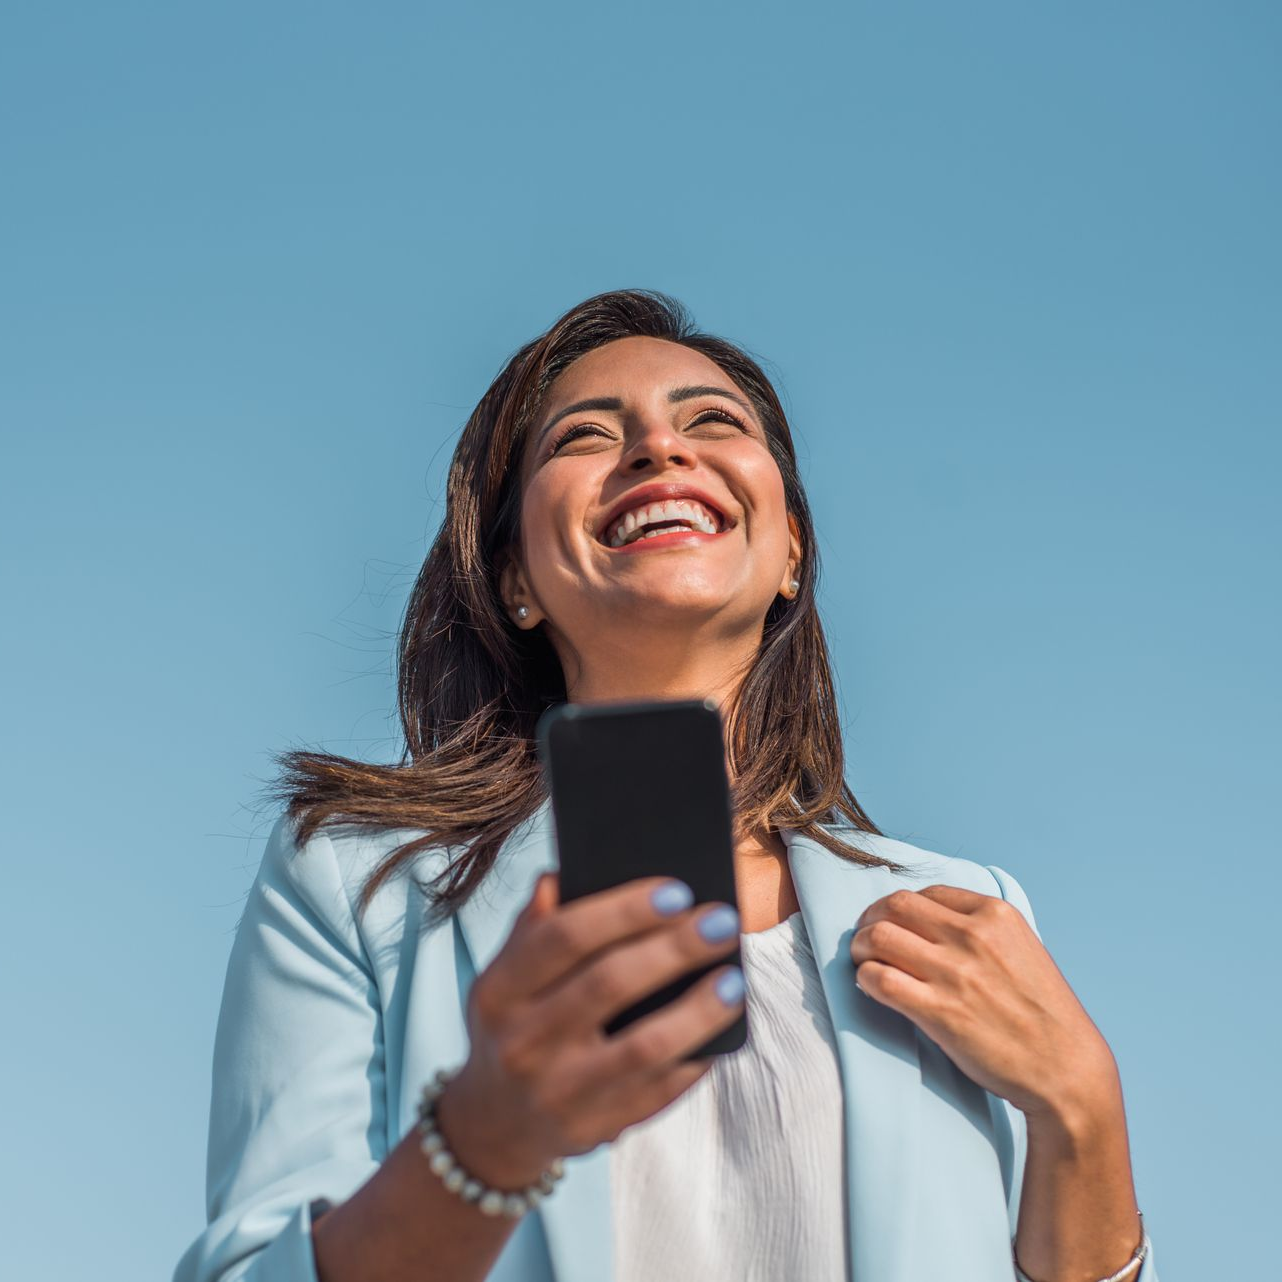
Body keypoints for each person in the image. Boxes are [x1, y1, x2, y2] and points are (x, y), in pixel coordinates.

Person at [173, 289, 1159, 1282]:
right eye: (585, 437)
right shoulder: (354, 883)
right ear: (513, 575)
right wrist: (480, 1143)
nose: (658, 449)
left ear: (789, 552)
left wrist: (1081, 1112)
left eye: (712, 422)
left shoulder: (971, 910)